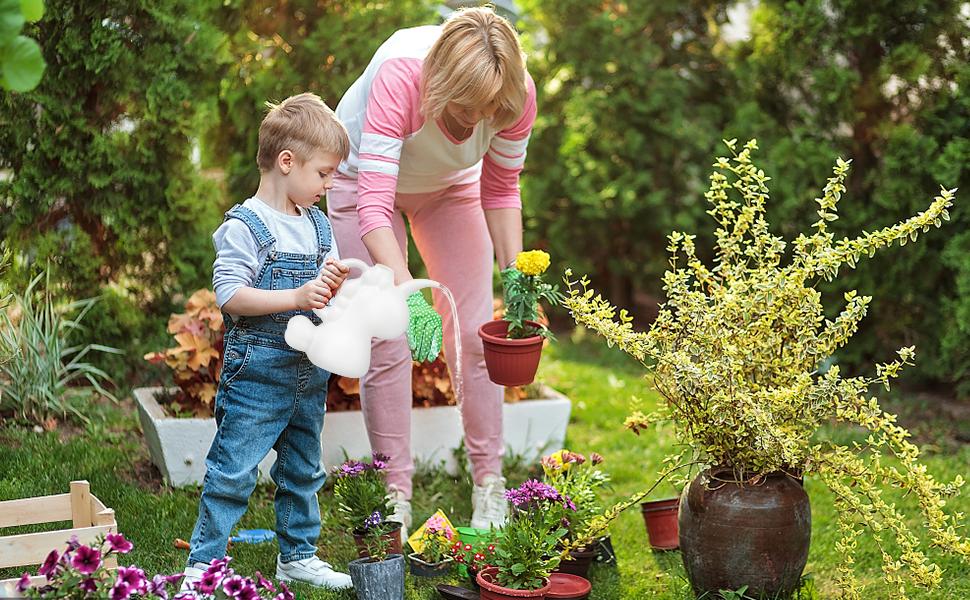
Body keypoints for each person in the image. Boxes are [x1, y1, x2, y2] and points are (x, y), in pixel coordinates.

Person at [328, 6, 536, 534]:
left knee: (474, 330)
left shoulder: (516, 94)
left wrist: (517, 279)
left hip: (448, 187)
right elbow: (375, 205)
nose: (474, 122)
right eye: (467, 108)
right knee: (389, 336)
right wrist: (405, 290)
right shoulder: (403, 76)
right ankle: (396, 495)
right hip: (361, 187)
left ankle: (490, 485)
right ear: (441, 82)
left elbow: (501, 188)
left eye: (487, 110)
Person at [182, 92, 353, 591]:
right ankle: (204, 565)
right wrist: (297, 294)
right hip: (257, 372)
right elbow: (231, 295)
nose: (329, 184)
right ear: (286, 162)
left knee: (303, 470)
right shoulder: (245, 227)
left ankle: (297, 555)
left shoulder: (319, 225)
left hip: (308, 373)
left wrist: (333, 285)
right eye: (323, 173)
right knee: (233, 471)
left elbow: (320, 296)